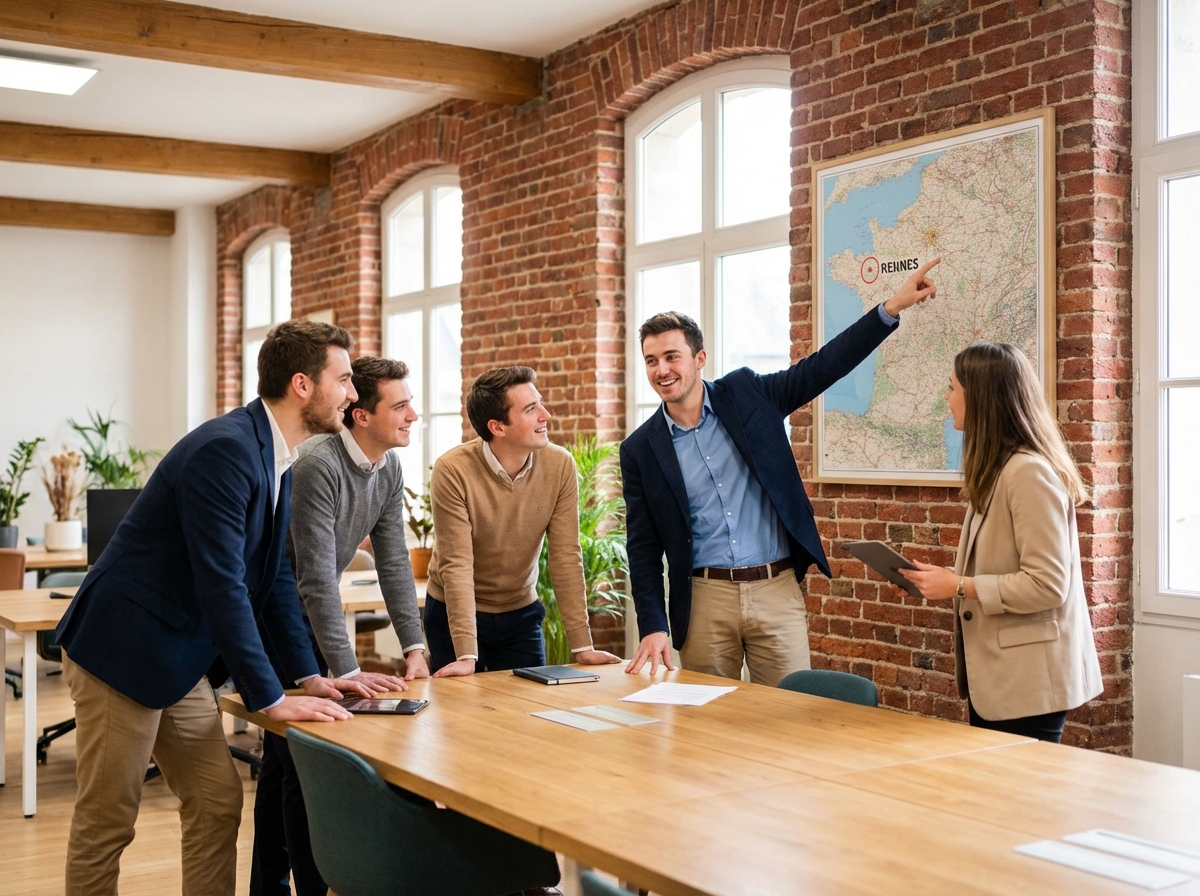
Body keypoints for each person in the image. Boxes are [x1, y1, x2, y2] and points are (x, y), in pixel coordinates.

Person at [55, 319, 379, 896]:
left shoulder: (277, 453)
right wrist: (271, 699)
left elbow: (275, 576)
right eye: (345, 379)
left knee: (215, 800)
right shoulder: (227, 450)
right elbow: (223, 584)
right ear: (303, 385)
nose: (353, 394)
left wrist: (307, 675)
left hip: (176, 657)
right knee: (109, 823)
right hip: (122, 652)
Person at [622, 259, 941, 686]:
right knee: (706, 729)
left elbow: (823, 366)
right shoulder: (640, 449)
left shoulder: (748, 395)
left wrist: (891, 308)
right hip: (704, 600)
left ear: (699, 358)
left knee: (791, 717)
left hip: (775, 588)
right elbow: (642, 547)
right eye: (651, 360)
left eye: (671, 357)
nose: (662, 370)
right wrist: (653, 624)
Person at [251, 355, 423, 896]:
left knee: (284, 764)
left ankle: (269, 885)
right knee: (303, 762)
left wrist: (415, 644)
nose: (413, 414)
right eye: (400, 405)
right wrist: (347, 671)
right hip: (276, 620)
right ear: (362, 417)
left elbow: (394, 561)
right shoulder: (317, 465)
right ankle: (310, 887)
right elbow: (315, 581)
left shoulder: (387, 468)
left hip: (309, 616)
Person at [900, 342, 1103, 743]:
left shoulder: (1027, 473)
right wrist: (944, 578)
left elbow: (1047, 585)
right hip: (1005, 679)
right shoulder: (1000, 468)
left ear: (980, 399)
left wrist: (959, 586)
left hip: (1029, 684)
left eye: (953, 388)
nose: (947, 397)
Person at [424, 366, 621, 676]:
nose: (546, 415)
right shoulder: (452, 470)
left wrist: (583, 647)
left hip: (520, 612)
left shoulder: (559, 465)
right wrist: (465, 656)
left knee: (526, 711)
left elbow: (566, 555)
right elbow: (457, 564)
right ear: (498, 427)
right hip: (454, 612)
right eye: (531, 409)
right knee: (462, 714)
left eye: (539, 403)